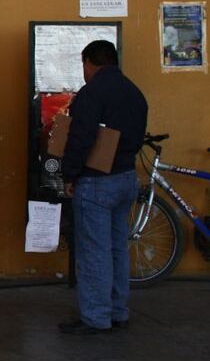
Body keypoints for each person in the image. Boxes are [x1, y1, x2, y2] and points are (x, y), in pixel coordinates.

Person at [59, 40, 147, 335]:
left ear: (88, 62)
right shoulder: (134, 92)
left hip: (97, 182)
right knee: (117, 248)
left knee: (93, 251)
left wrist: (70, 175)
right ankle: (118, 311)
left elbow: (81, 138)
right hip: (126, 177)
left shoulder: (92, 92)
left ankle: (96, 317)